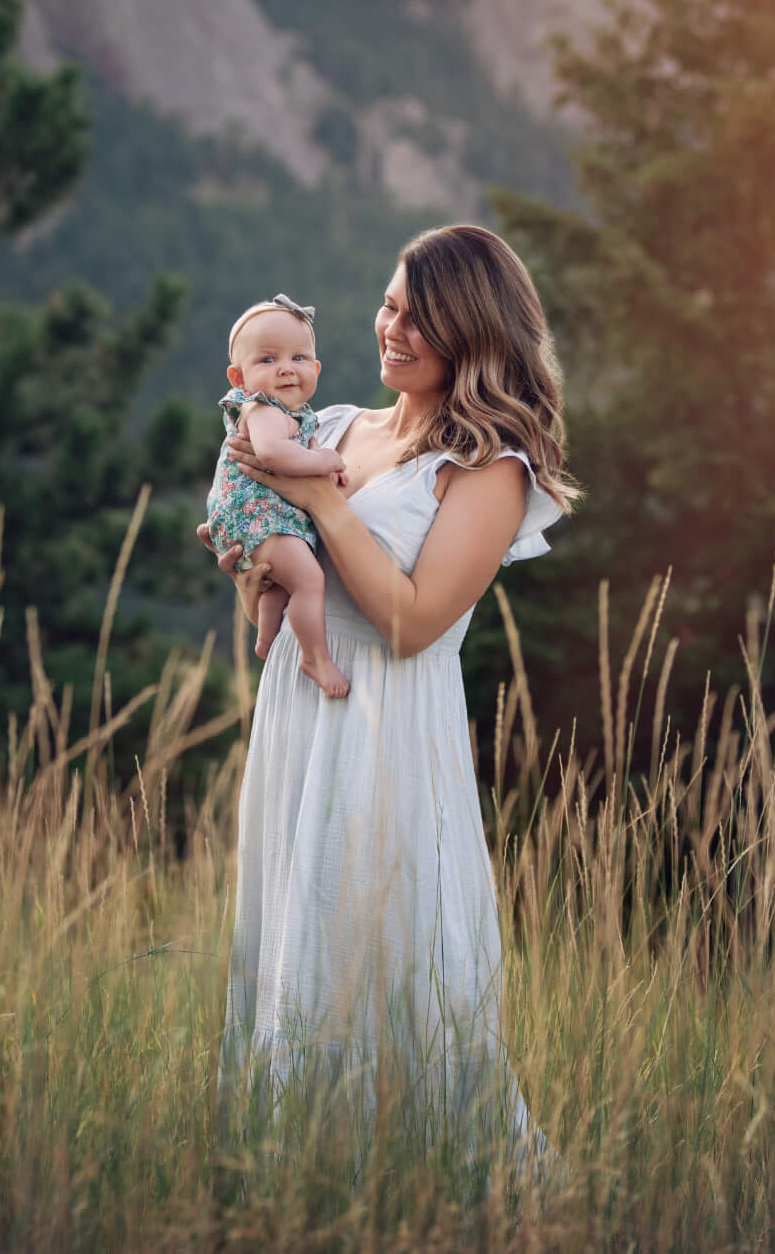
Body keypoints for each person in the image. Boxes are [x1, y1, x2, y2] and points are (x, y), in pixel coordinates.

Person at [203, 223, 578, 1167]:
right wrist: (246, 556)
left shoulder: (489, 468)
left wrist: (323, 504)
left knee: (384, 950)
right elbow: (262, 554)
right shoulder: (331, 428)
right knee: (296, 946)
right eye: (389, 303)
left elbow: (414, 622)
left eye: (419, 316)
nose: (391, 328)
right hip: (299, 716)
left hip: (388, 731)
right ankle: (297, 1176)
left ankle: (421, 1183)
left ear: (473, 331)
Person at [206, 294, 352, 701]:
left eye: (299, 358)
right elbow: (272, 454)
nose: (287, 368)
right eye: (268, 360)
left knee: (278, 583)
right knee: (309, 580)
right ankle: (315, 658)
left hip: (258, 515)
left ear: (316, 368)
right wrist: (323, 461)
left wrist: (327, 464)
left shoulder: (298, 415)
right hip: (256, 514)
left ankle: (268, 637)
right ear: (239, 378)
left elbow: (304, 452)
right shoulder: (263, 409)